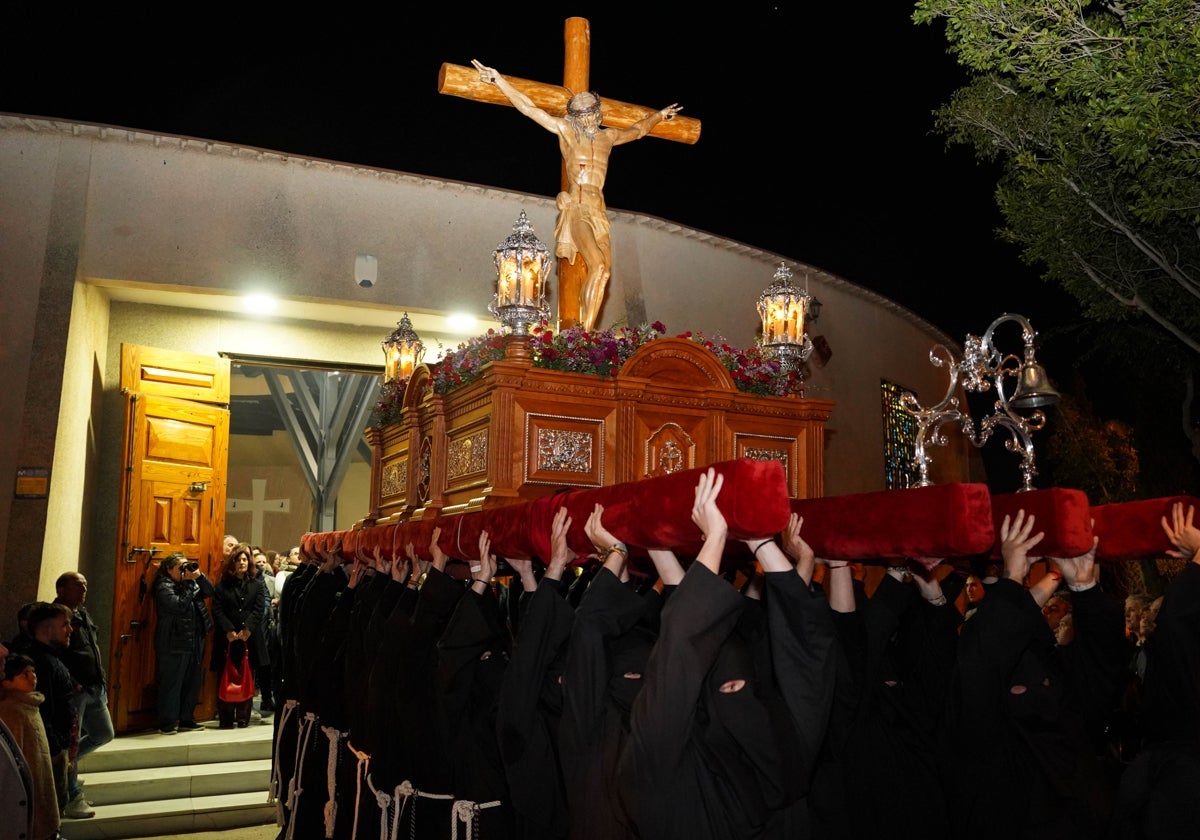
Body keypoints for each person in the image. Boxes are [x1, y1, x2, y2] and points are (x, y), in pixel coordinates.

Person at [472, 59, 681, 330]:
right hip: (578, 208)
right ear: (574, 116)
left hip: (599, 211)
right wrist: (499, 80)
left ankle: (587, 330)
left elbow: (639, 130)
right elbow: (529, 108)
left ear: (597, 112)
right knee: (596, 265)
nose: (587, 118)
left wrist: (659, 115)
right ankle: (583, 336)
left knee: (603, 273)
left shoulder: (609, 137)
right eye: (581, 114)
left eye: (591, 113)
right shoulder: (567, 132)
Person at [52, 572, 113, 818]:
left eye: (86, 585)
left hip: (94, 687)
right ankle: (72, 794)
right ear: (62, 589)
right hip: (76, 691)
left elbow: (92, 648)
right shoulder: (56, 616)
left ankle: (66, 766)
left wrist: (101, 680)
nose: (84, 589)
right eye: (78, 585)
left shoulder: (82, 613)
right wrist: (73, 683)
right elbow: (58, 653)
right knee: (72, 743)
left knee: (103, 734)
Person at [23, 603, 78, 821]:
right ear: (47, 629)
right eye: (64, 624)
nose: (70, 629)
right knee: (49, 811)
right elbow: (42, 710)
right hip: (50, 749)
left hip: (56, 746)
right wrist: (57, 747)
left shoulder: (51, 658)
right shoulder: (41, 663)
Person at [151, 553, 215, 734]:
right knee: (172, 682)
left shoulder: (190, 582)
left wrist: (199, 577)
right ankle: (168, 723)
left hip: (195, 638)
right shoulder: (164, 586)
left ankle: (187, 718)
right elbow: (179, 606)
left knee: (192, 681)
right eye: (180, 567)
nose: (184, 570)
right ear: (168, 569)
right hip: (174, 640)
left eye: (185, 566)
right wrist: (188, 583)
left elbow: (210, 591)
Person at [0, 653, 62, 840]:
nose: (32, 677)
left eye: (32, 672)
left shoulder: (30, 704)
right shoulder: (11, 709)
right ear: (7, 683)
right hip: (26, 783)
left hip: (39, 775)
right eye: (24, 674)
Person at [210, 543, 268, 729]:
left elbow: (259, 609)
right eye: (238, 559)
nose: (242, 562)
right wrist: (229, 630)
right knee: (225, 676)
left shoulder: (256, 584)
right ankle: (226, 719)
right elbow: (217, 610)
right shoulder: (222, 586)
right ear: (232, 563)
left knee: (247, 675)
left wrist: (247, 629)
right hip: (227, 638)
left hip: (248, 638)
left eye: (244, 559)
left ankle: (243, 718)